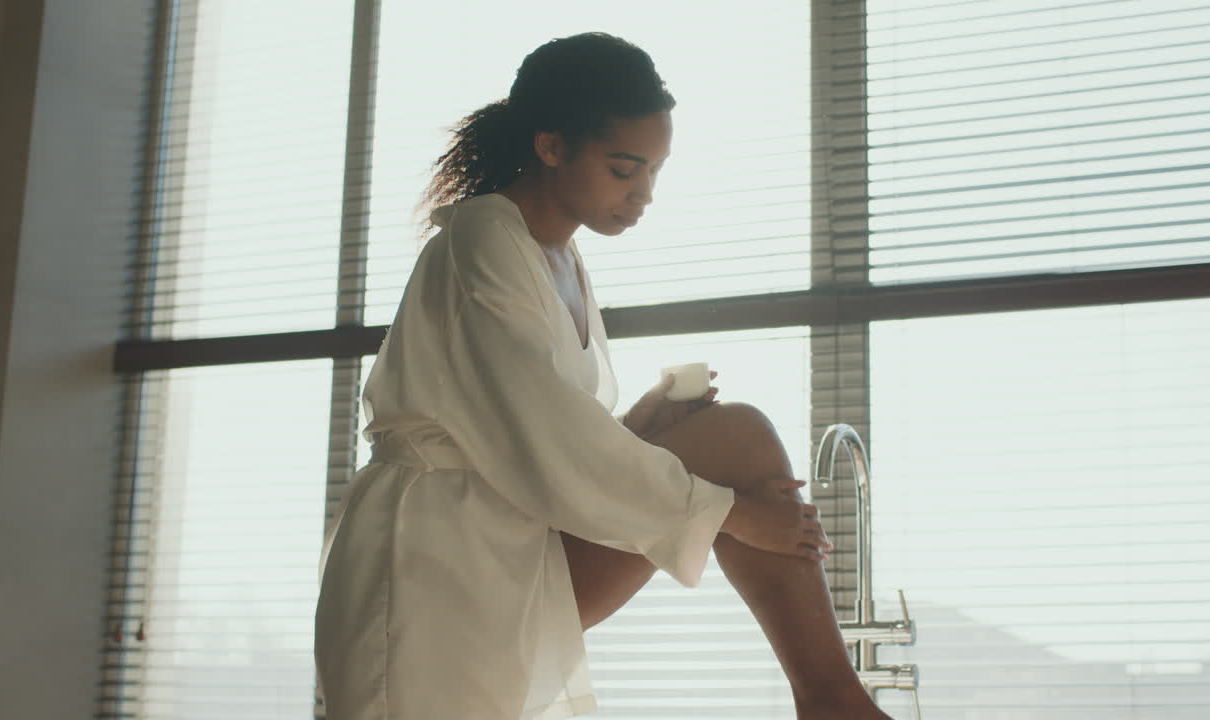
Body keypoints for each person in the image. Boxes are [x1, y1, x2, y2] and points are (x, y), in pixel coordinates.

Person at [314, 32, 893, 720]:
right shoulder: (482, 239)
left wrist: (637, 427)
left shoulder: (559, 257)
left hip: (517, 536)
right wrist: (733, 515)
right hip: (435, 566)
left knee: (734, 435)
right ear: (551, 145)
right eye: (624, 169)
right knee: (733, 446)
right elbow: (537, 429)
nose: (643, 193)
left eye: (653, 171)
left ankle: (832, 702)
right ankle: (835, 704)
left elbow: (536, 430)